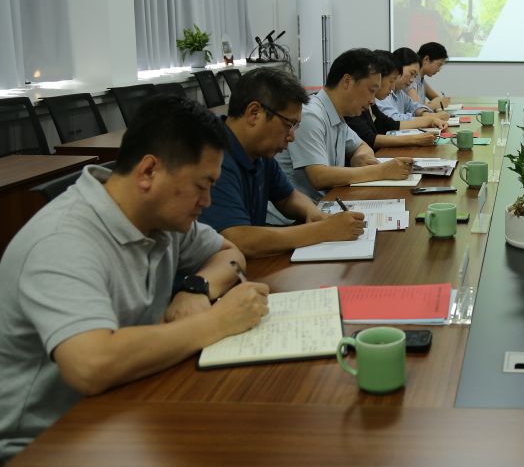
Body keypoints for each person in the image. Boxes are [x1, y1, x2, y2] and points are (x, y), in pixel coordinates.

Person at [0, 95, 269, 461]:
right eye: (202, 185)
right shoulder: (62, 241)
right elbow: (91, 365)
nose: (207, 201)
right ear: (148, 172)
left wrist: (197, 289)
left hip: (126, 403)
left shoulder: (160, 216)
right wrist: (217, 321)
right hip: (44, 443)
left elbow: (228, 252)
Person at [198, 68, 368, 257]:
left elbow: (287, 197)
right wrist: (323, 231)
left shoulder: (260, 152)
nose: (292, 136)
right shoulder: (213, 156)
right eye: (288, 125)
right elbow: (237, 238)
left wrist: (314, 213)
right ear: (254, 113)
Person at [277, 48, 415, 200]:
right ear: (347, 82)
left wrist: (360, 156)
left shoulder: (337, 114)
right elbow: (319, 176)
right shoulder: (310, 115)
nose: (372, 100)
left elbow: (362, 146)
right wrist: (381, 171)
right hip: (301, 212)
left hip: (327, 202)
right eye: (371, 90)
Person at [346, 50, 447, 150]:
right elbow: (370, 139)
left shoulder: (372, 102)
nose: (393, 87)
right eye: (391, 81)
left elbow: (390, 124)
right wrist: (414, 139)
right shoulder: (354, 107)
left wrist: (430, 121)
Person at [377, 47, 449, 121]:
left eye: (415, 76)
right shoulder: (382, 93)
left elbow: (413, 106)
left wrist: (426, 114)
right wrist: (428, 119)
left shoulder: (399, 92)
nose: (412, 80)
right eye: (411, 73)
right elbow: (394, 120)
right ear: (399, 68)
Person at [408, 41, 450, 111]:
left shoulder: (421, 79)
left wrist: (432, 104)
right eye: (439, 65)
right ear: (426, 59)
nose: (439, 70)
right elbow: (416, 110)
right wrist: (434, 104)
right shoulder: (410, 80)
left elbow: (437, 98)